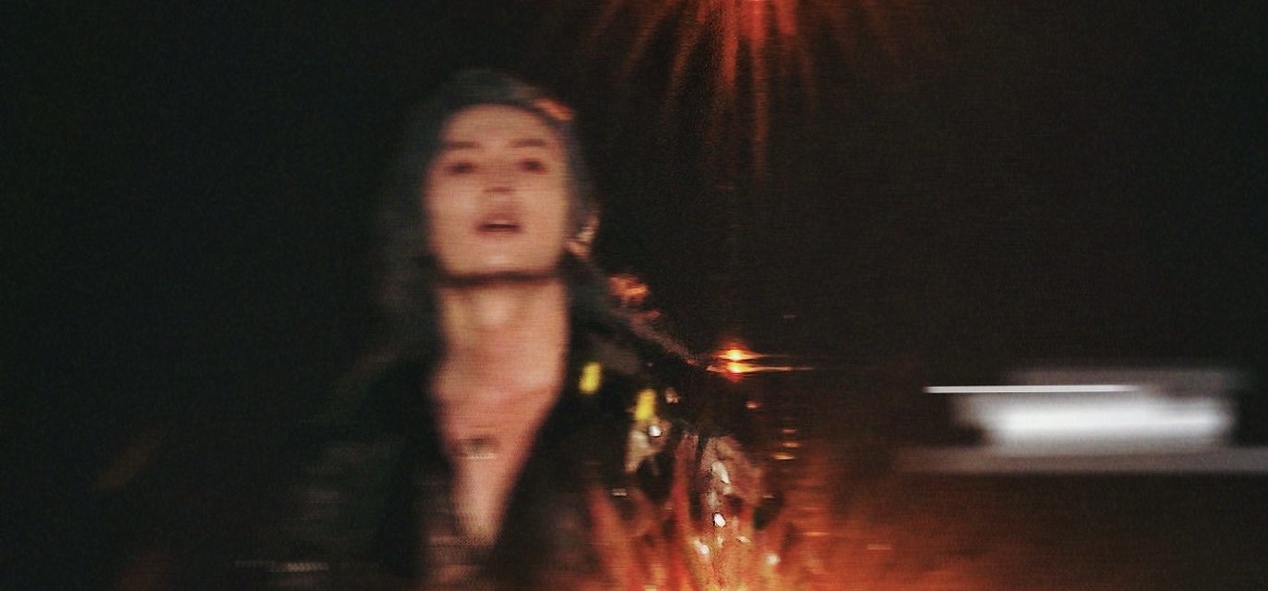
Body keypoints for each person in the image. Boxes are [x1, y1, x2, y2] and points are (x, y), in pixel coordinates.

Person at [250, 70, 808, 590]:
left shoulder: (679, 425)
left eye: (531, 163)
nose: (498, 185)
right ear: (420, 212)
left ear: (575, 214)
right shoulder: (356, 441)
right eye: (462, 165)